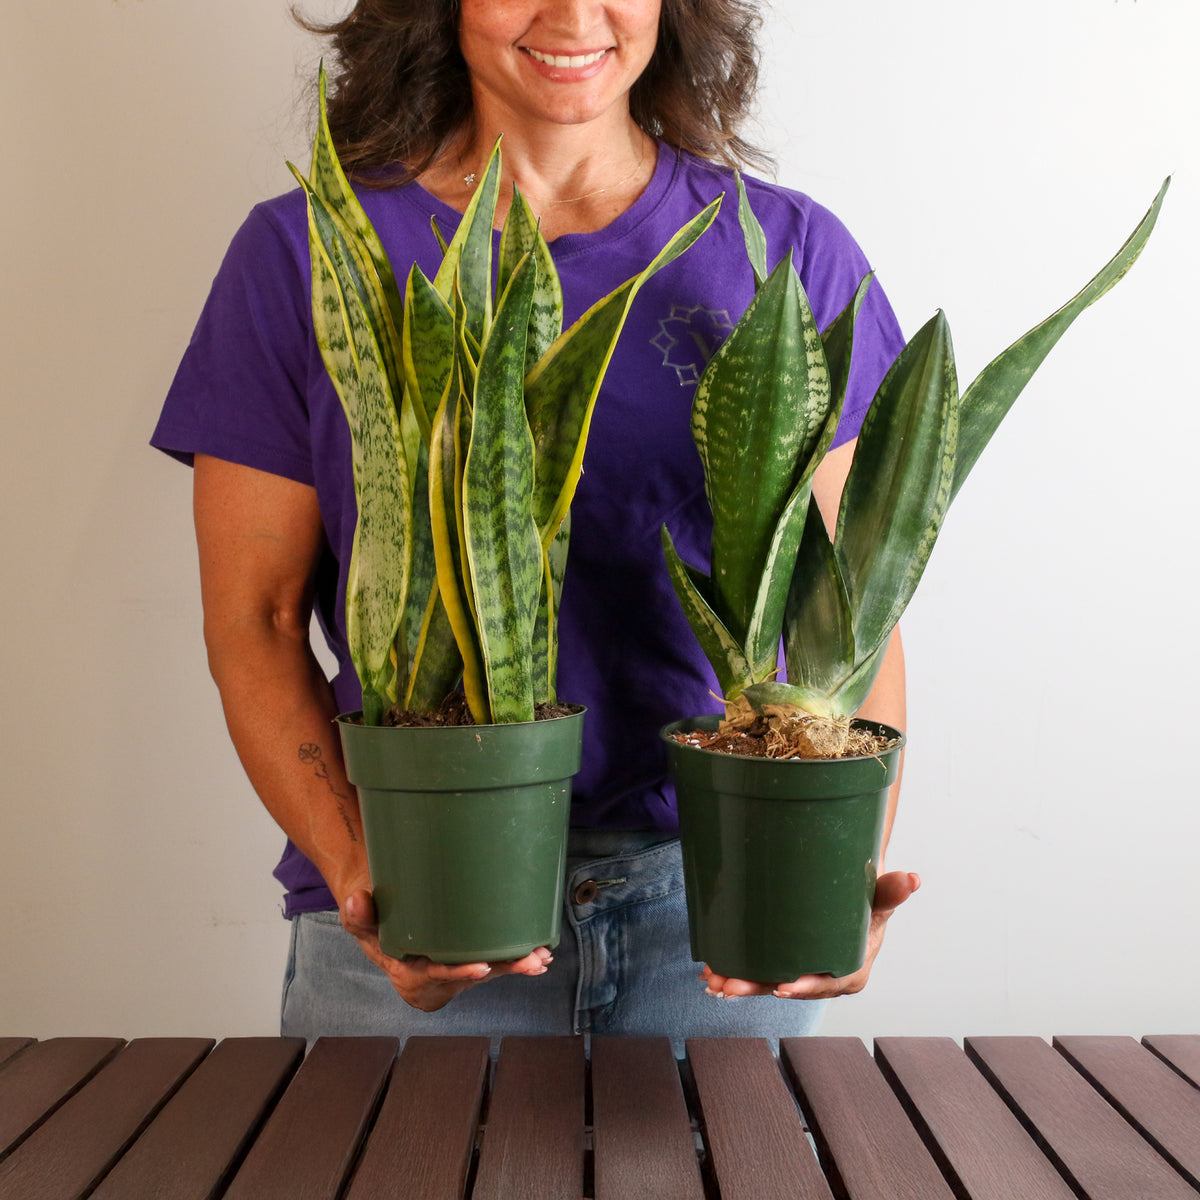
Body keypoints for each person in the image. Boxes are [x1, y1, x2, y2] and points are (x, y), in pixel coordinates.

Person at [153, 0, 918, 1051]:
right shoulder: (307, 253)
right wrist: (357, 876)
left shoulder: (784, 256)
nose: (574, 12)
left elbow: (854, 620)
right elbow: (260, 620)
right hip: (413, 906)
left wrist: (841, 877)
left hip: (715, 912)